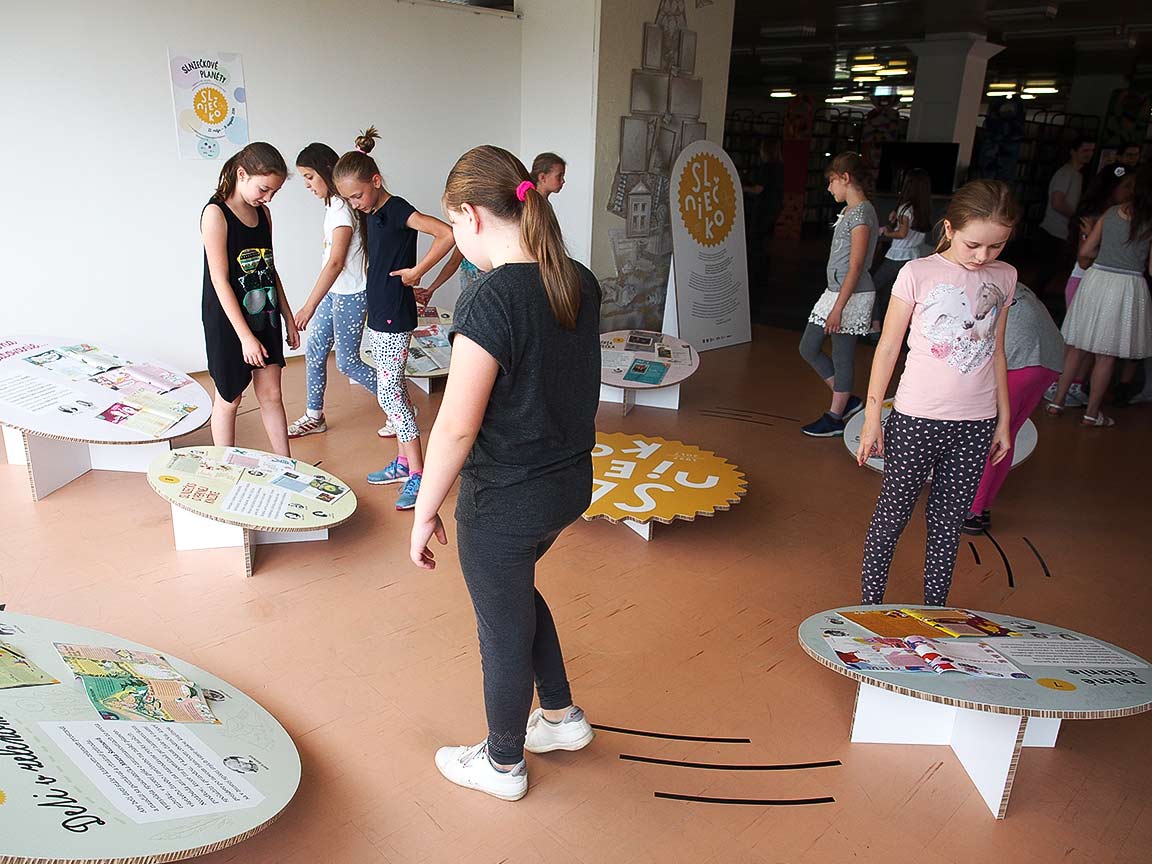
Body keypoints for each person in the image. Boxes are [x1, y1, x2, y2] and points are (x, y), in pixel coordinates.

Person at [411, 145, 600, 802]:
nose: (456, 237)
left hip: (505, 501)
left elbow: (455, 428)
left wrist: (424, 509)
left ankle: (501, 763)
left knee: (502, 628)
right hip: (568, 487)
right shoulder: (577, 279)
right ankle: (561, 717)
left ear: (470, 215)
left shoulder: (490, 299)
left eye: (453, 225)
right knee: (515, 595)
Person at [857, 180, 1019, 606]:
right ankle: (870, 608)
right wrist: (872, 417)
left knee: (947, 526)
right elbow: (888, 348)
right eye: (973, 245)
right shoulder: (917, 273)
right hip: (916, 419)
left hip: (976, 424)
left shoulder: (1006, 277)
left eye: (996, 246)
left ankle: (936, 612)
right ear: (949, 228)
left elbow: (997, 350)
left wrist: (1004, 421)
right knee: (892, 517)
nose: (983, 257)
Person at [333, 127, 454, 508]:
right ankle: (403, 463)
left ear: (376, 181)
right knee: (394, 388)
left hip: (394, 317)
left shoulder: (397, 208)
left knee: (390, 393)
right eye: (348, 199)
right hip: (382, 310)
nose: (355, 204)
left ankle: (418, 473)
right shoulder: (372, 212)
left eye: (357, 195)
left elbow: (446, 234)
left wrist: (418, 272)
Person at [200, 142, 299, 455]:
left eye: (274, 192)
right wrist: (245, 337)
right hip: (228, 320)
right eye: (264, 189)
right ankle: (224, 465)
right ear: (242, 174)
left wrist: (287, 316)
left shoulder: (264, 214)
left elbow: (269, 269)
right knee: (230, 397)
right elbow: (219, 280)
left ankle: (286, 464)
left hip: (264, 313)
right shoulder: (215, 214)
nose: (267, 198)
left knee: (271, 394)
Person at [1048, 161, 1152, 427]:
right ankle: (1091, 414)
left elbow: (1085, 254)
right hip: (1127, 285)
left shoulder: (1112, 212)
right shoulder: (1149, 221)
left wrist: (1102, 255)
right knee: (1106, 356)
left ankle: (1057, 402)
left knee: (1077, 347)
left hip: (1096, 279)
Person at [286, 143, 376, 439]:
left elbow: (336, 262)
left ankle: (400, 405)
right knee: (315, 349)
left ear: (326, 171)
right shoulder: (334, 206)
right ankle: (314, 416)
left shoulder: (341, 209)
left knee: (348, 362)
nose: (307, 185)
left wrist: (308, 306)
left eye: (309, 177)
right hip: (336, 291)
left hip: (351, 293)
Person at [963, 283, 1063, 533]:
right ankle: (983, 507)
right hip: (1048, 360)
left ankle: (972, 512)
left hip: (1018, 361)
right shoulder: (1012, 282)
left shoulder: (976, 285)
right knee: (1006, 434)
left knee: (988, 436)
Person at [798, 152, 879, 437]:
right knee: (808, 346)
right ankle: (846, 400)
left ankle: (835, 416)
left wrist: (838, 308)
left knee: (842, 355)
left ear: (845, 178)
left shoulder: (861, 214)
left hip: (850, 295)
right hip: (835, 291)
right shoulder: (850, 211)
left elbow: (856, 266)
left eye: (832, 181)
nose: (829, 188)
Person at [870, 168, 933, 334]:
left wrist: (886, 232)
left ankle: (876, 326)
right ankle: (889, 327)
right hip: (913, 256)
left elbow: (902, 234)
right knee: (895, 292)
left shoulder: (905, 209)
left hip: (897, 256)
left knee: (873, 287)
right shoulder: (923, 209)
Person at [1031, 136, 1095, 298]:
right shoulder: (1065, 173)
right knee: (1046, 271)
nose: (1089, 154)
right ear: (1073, 152)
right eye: (1085, 150)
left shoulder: (1077, 174)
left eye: (1092, 151)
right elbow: (1057, 202)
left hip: (1061, 231)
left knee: (1051, 270)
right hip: (1053, 230)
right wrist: (1076, 218)